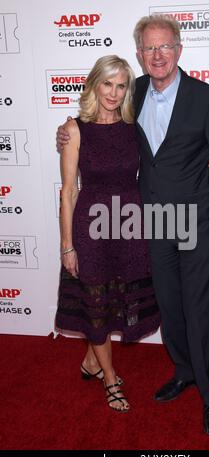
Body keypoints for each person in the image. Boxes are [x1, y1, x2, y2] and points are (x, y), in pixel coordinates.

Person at [57, 16, 209, 434]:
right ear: (139, 54)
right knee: (169, 306)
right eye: (149, 49)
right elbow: (96, 127)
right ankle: (183, 372)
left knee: (199, 310)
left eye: (165, 47)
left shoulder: (207, 98)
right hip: (152, 222)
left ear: (179, 50)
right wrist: (66, 134)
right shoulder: (132, 93)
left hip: (196, 222)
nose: (157, 55)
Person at [55, 55, 160, 413]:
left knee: (110, 302)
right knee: (97, 300)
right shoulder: (74, 129)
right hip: (91, 227)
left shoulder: (135, 127)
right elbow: (68, 191)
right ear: (94, 84)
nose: (114, 93)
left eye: (121, 86)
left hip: (129, 224)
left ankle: (90, 361)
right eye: (108, 84)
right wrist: (67, 246)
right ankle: (110, 377)